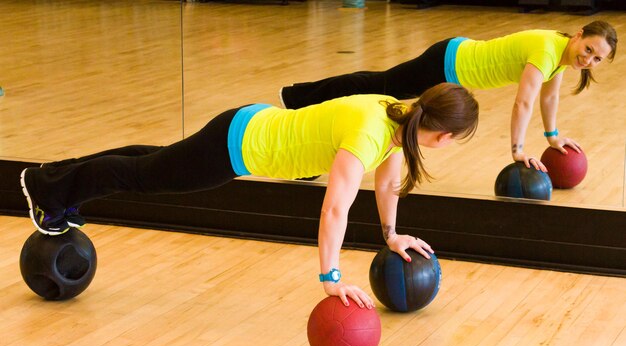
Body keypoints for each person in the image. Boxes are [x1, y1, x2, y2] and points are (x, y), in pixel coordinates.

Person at [20, 83, 479, 308]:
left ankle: (61, 176)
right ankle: (49, 189)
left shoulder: (397, 118)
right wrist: (330, 277)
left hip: (249, 125)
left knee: (153, 165)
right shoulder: (367, 134)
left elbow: (386, 183)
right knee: (145, 175)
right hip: (238, 146)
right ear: (442, 135)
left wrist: (392, 234)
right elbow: (335, 207)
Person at [280, 21, 617, 171]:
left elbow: (548, 98)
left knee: (379, 86)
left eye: (596, 59)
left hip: (452, 62)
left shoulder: (561, 57)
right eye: (587, 49)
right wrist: (517, 151)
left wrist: (552, 136)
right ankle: (299, 100)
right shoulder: (546, 50)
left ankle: (300, 101)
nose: (587, 60)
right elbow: (524, 100)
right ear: (578, 35)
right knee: (378, 87)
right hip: (446, 64)